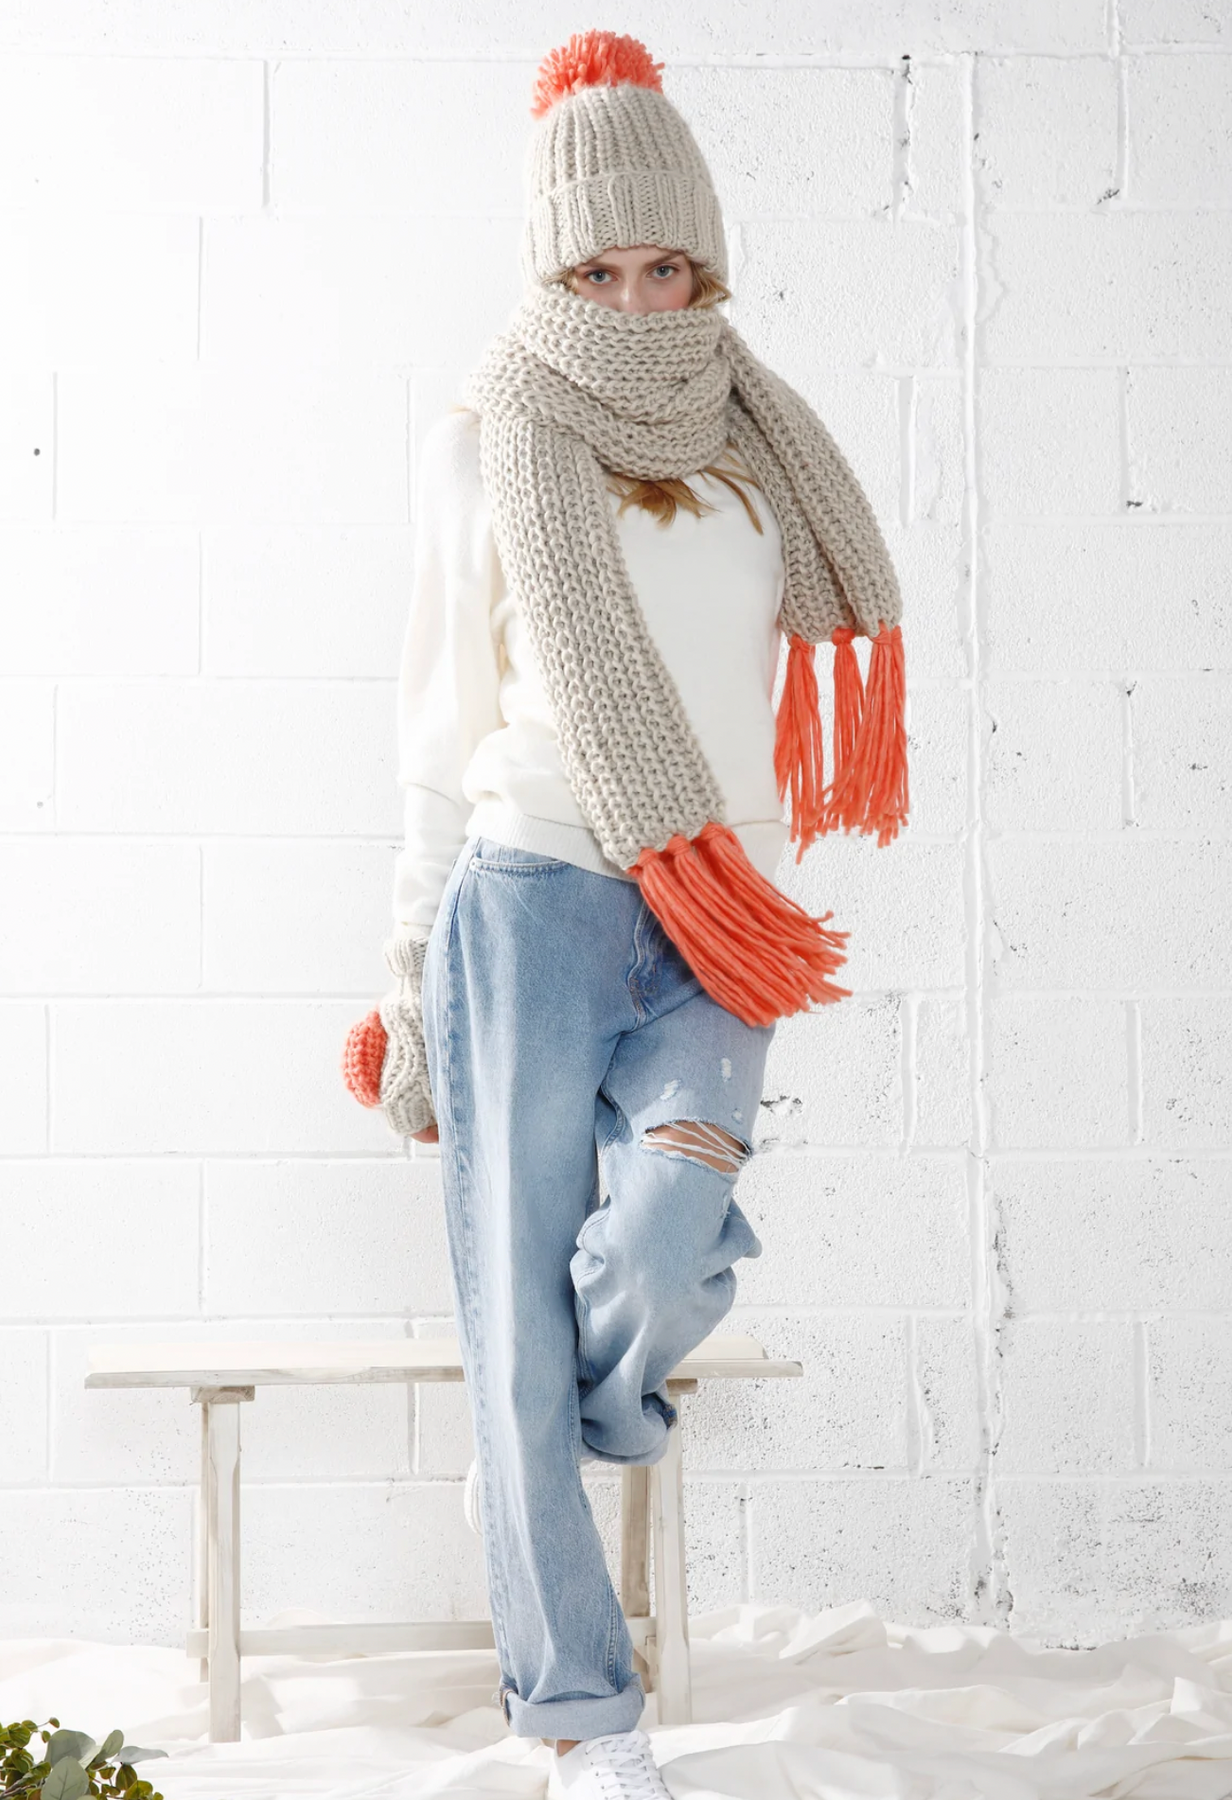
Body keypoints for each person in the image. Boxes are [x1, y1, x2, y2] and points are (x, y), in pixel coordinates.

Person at [343, 30, 907, 1800]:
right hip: (528, 898)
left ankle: (559, 1425)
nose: (637, 299)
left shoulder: (759, 448)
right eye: (598, 270)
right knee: (508, 1313)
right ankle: (582, 1720)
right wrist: (407, 972)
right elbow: (438, 731)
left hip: (716, 914)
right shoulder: (483, 443)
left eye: (667, 266)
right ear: (549, 266)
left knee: (666, 1238)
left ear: (707, 262)